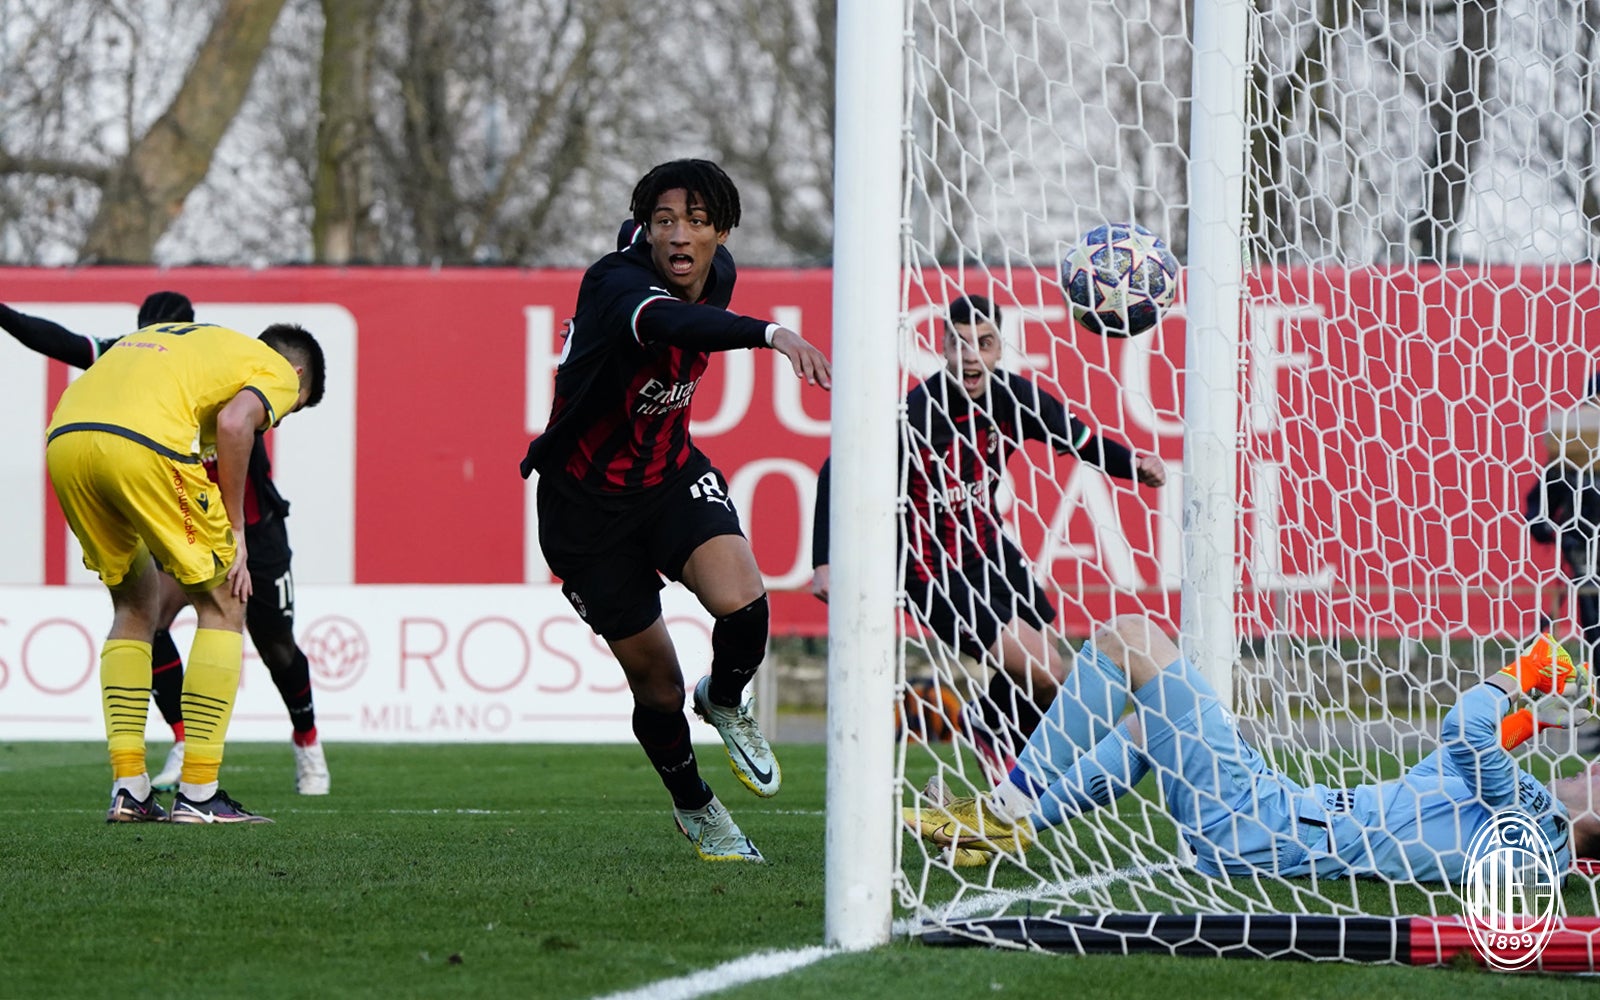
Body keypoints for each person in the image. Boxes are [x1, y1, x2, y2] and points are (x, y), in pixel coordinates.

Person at [519, 159, 831, 863]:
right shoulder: (617, 283)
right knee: (657, 686)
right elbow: (667, 319)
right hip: (585, 513)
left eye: (696, 220)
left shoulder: (716, 273)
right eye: (664, 221)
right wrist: (773, 334)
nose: (679, 235)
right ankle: (696, 809)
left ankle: (723, 699)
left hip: (666, 477)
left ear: (723, 229)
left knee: (745, 603)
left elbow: (695, 312)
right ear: (644, 229)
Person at [909, 618, 1600, 881]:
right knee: (1155, 725)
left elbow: (1463, 730)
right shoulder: (1525, 830)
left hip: (1265, 827)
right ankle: (1015, 824)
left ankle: (1006, 804)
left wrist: (1526, 675)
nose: (1595, 761)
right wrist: (1527, 722)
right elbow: (1447, 765)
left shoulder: (1537, 823)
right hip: (1276, 815)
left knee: (1130, 640)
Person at [811, 294, 1166, 774]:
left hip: (990, 550)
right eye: (958, 345)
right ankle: (992, 732)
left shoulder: (1015, 398)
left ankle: (1005, 754)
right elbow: (838, 469)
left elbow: (1079, 439)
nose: (971, 356)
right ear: (942, 348)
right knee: (1047, 670)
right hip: (931, 568)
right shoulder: (917, 413)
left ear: (999, 348)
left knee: (1047, 680)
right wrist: (824, 561)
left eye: (984, 343)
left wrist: (1135, 465)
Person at [1, 293, 332, 795]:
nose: (281, 419)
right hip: (163, 472)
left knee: (135, 607)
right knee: (224, 603)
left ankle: (130, 787)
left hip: (68, 440)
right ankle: (199, 788)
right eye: (291, 411)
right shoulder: (272, 367)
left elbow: (67, 345)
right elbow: (235, 423)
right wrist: (235, 532)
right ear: (299, 376)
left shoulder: (143, 348)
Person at [1526, 373, 1600, 667]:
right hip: (1583, 547)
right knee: (1595, 618)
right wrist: (1542, 524)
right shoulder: (1573, 451)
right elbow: (1542, 497)